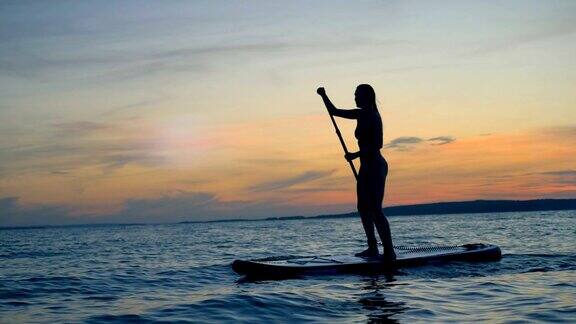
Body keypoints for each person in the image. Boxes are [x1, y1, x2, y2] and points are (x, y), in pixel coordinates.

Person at [317, 84, 396, 261]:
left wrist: (355, 154)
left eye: (357, 94)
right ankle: (372, 247)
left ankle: (389, 251)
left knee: (375, 209)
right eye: (354, 94)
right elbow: (334, 111)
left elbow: (377, 145)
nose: (354, 97)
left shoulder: (371, 115)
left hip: (375, 166)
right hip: (366, 167)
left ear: (366, 96)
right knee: (362, 208)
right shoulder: (361, 114)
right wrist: (323, 96)